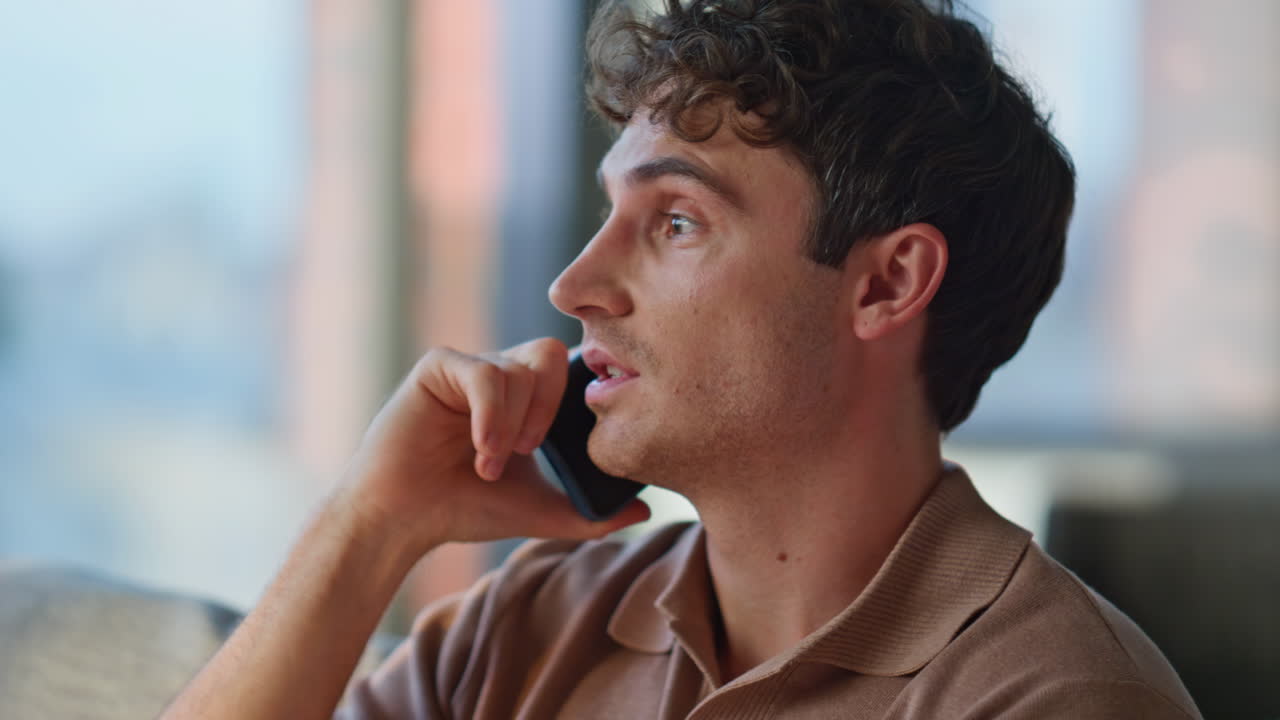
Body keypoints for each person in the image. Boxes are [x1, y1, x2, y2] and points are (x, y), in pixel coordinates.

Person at [162, 0, 1202, 718]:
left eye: (675, 222)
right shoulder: (529, 626)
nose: (573, 285)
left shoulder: (1055, 698)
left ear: (886, 284)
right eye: (612, 211)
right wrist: (369, 526)